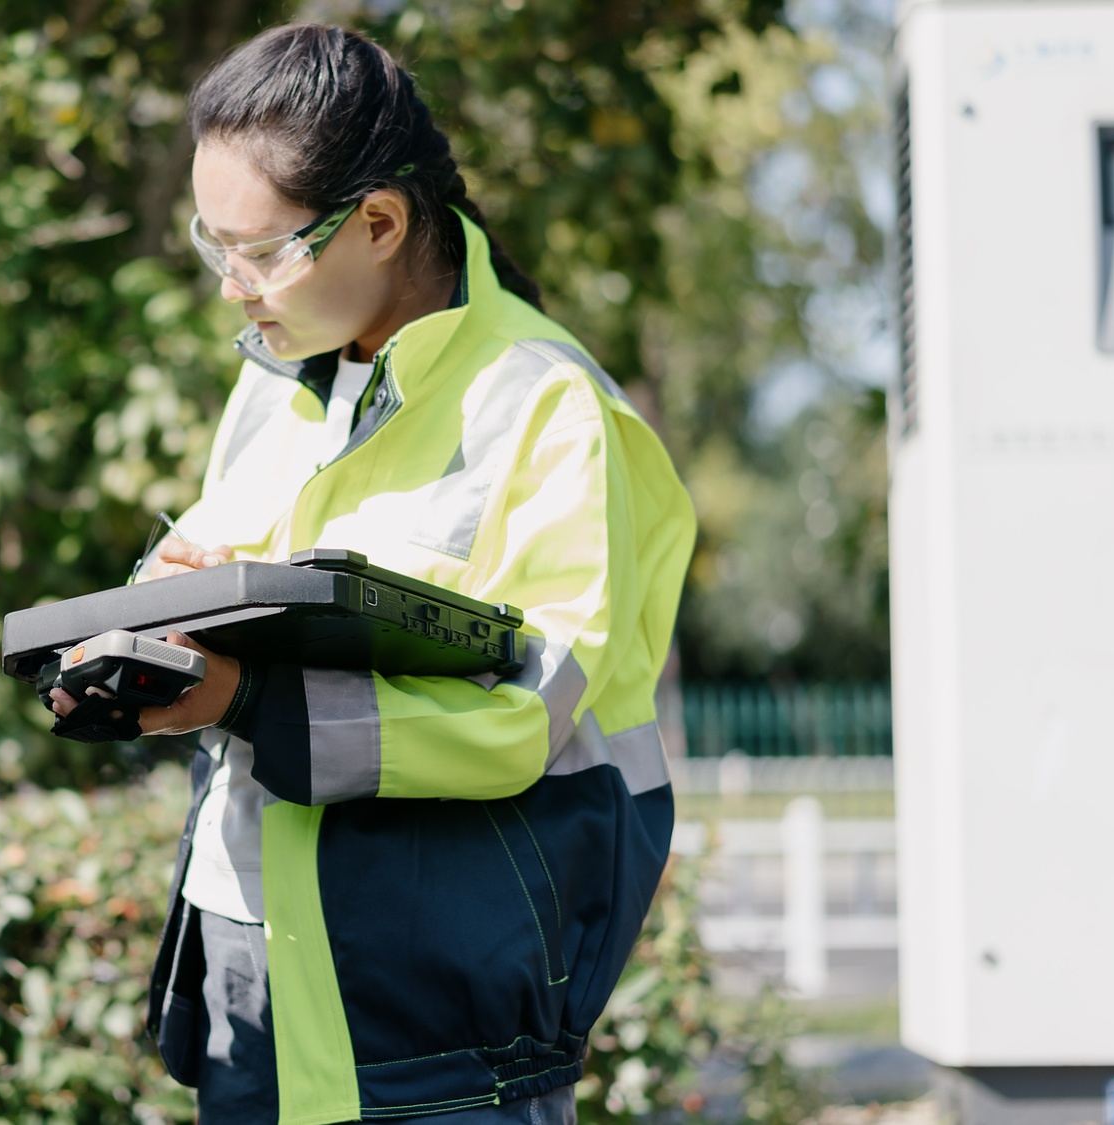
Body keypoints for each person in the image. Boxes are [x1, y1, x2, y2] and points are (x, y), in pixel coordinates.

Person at [50, 23, 695, 1125]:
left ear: (381, 223)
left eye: (254, 253)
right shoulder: (275, 385)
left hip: (434, 1023)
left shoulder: (546, 409)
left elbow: (520, 722)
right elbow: (223, 565)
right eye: (215, 251)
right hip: (246, 969)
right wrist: (155, 617)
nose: (231, 289)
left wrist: (246, 700)